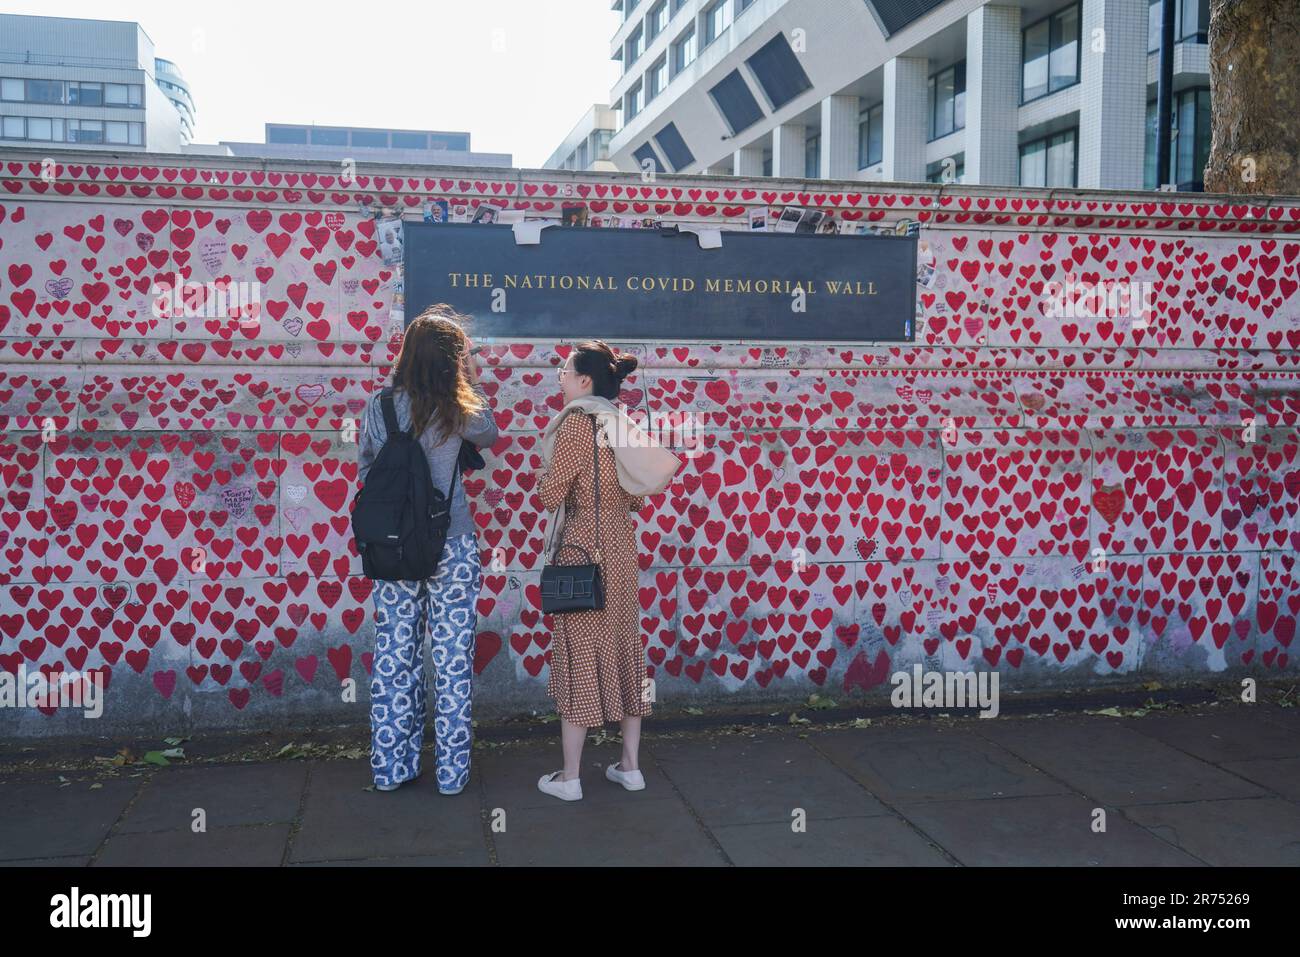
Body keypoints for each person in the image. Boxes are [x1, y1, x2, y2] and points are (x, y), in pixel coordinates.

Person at [356, 304, 498, 794]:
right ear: (452, 359)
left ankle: (391, 768)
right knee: (453, 660)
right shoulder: (458, 405)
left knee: (396, 658)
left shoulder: (380, 406)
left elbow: (366, 470)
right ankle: (452, 776)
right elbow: (491, 434)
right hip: (451, 544)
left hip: (393, 549)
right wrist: (472, 380)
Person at [534, 341, 681, 801]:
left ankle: (570, 777)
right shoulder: (621, 423)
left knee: (580, 650)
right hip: (620, 546)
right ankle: (631, 766)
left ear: (584, 381)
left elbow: (550, 495)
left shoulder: (577, 424)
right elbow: (638, 494)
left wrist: (544, 474)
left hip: (582, 548)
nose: (559, 377)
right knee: (624, 647)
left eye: (564, 370)